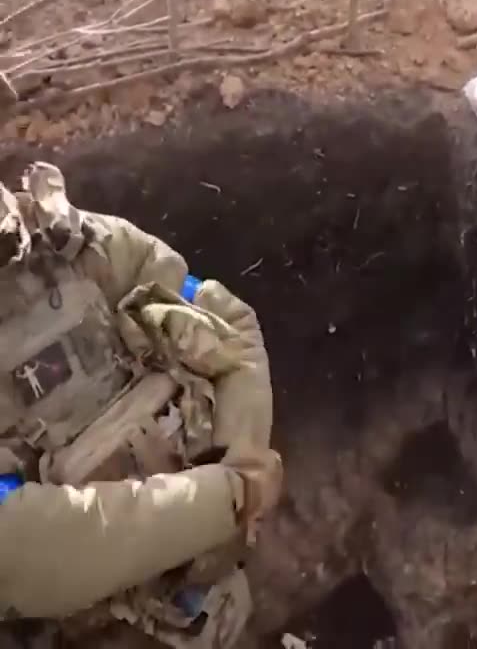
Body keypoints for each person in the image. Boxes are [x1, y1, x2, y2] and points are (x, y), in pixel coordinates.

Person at [0, 162, 283, 648]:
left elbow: (225, 324)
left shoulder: (81, 245)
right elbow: (20, 551)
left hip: (200, 591)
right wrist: (225, 497)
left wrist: (241, 454)